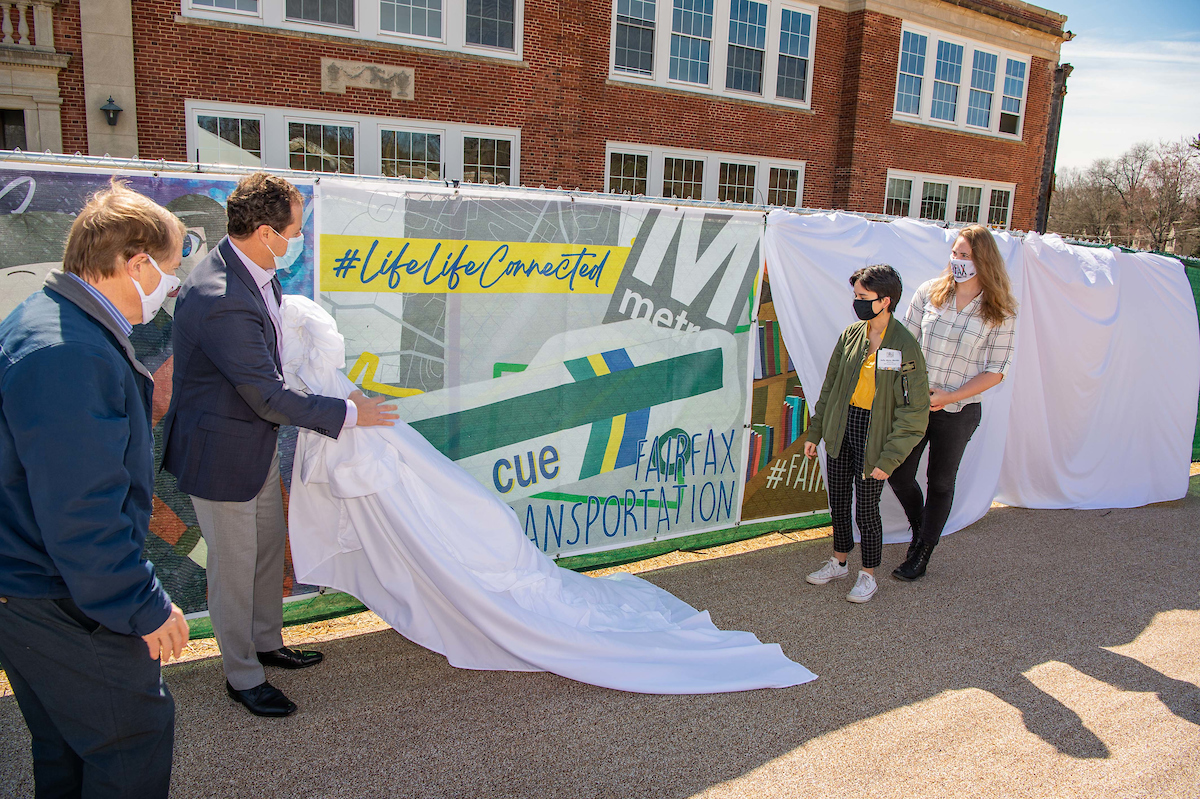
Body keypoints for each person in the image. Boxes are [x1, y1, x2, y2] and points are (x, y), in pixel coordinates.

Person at [161, 172, 397, 718]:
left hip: (254, 443)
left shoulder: (257, 270)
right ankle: (242, 675)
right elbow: (266, 395)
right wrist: (346, 413)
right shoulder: (219, 295)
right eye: (296, 228)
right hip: (222, 454)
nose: (300, 238)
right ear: (266, 232)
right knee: (235, 565)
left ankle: (267, 641)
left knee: (268, 550)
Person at [0, 181, 191, 797]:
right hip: (59, 596)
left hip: (33, 588)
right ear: (135, 264)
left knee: (68, 744)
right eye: (169, 268)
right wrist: (142, 604)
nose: (172, 284)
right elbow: (82, 510)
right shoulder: (67, 352)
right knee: (128, 739)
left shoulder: (51, 323)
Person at [888, 224, 1017, 581]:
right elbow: (903, 344)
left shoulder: (1000, 311)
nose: (958, 261)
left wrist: (949, 397)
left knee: (941, 482)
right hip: (915, 404)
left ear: (985, 261)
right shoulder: (930, 292)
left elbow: (996, 371)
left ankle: (923, 551)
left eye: (966, 256)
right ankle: (920, 528)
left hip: (959, 411)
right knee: (899, 475)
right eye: (955, 254)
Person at [803, 265, 930, 603]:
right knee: (840, 501)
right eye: (856, 296)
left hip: (875, 435)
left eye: (863, 297)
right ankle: (839, 561)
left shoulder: (904, 345)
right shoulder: (850, 335)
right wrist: (816, 433)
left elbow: (915, 411)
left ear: (885, 301)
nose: (856, 302)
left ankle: (868, 575)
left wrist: (890, 457)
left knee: (867, 509)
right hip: (843, 427)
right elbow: (830, 388)